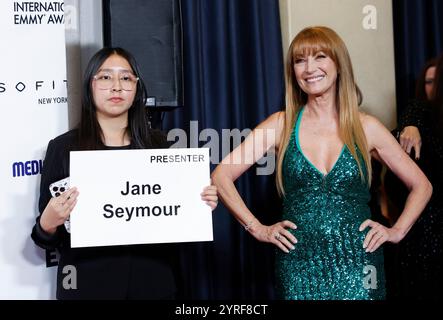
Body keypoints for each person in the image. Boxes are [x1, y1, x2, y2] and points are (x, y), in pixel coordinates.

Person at [211, 26, 432, 300]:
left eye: (320, 57)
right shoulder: (281, 124)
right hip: (298, 265)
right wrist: (257, 228)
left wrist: (397, 231)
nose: (309, 68)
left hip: (360, 264)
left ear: (339, 64)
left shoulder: (367, 128)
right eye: (300, 60)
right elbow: (221, 175)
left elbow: (422, 185)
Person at [31, 47, 218, 300]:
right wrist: (49, 221)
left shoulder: (159, 145)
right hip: (87, 284)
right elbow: (43, 238)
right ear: (90, 85)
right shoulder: (64, 148)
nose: (117, 87)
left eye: (126, 78)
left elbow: (177, 223)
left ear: (137, 89)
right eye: (106, 77)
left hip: (154, 281)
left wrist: (199, 202)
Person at [384, 55, 443, 300]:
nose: (432, 87)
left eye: (436, 81)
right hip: (421, 236)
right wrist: (410, 125)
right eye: (427, 82)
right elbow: (414, 113)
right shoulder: (417, 118)